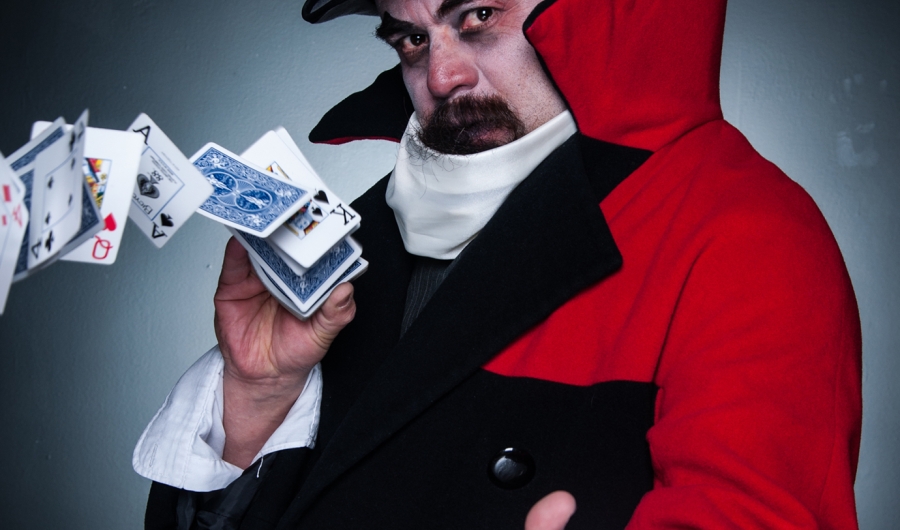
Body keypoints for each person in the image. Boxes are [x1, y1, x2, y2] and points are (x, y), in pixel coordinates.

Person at [134, 0, 863, 528]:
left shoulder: (747, 235)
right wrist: (257, 398)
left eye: (479, 16)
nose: (442, 76)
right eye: (412, 39)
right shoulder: (355, 233)